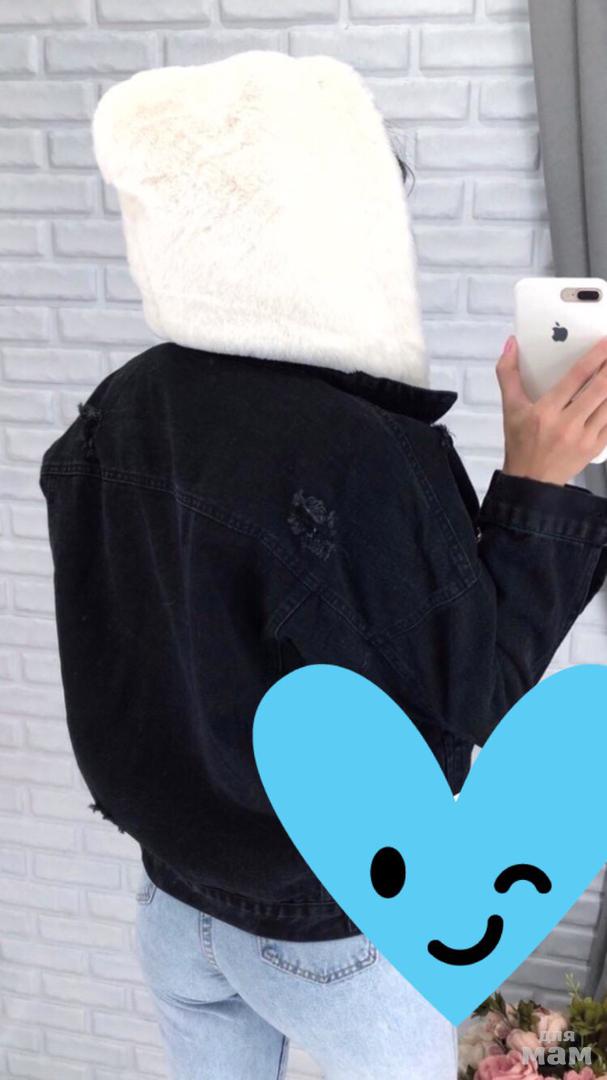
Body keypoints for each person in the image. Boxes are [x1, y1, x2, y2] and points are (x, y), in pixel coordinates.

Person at [39, 52, 607, 1080]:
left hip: (172, 907)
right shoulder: (361, 452)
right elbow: (465, 701)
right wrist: (536, 482)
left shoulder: (121, 402)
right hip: (332, 938)